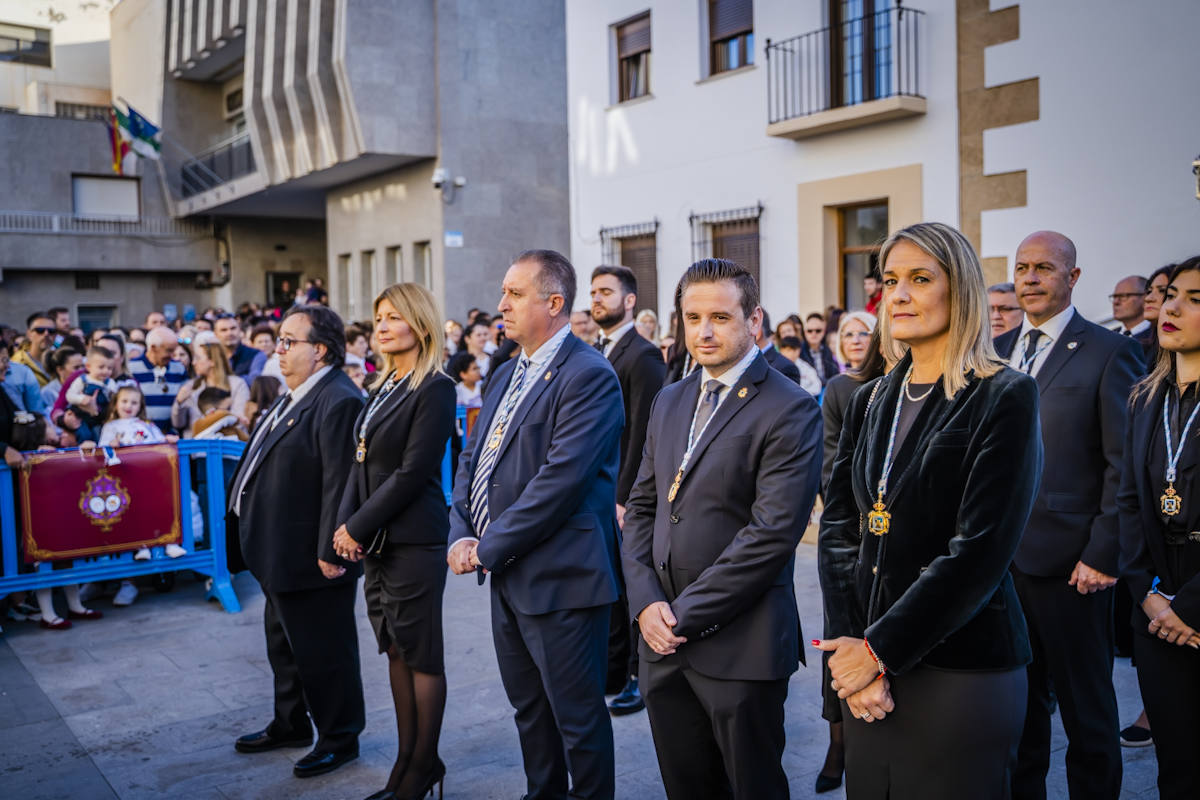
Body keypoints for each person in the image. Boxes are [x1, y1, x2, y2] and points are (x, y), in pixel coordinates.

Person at [817, 221, 1043, 799]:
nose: (898, 294)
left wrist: (878, 650)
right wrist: (849, 654)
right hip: (865, 669)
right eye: (890, 280)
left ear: (959, 288)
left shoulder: (1004, 394)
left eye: (920, 278)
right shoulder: (869, 398)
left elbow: (981, 549)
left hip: (962, 668)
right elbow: (842, 530)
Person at [622, 258, 822, 799]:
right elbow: (641, 507)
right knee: (687, 787)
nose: (704, 332)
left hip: (741, 646)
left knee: (752, 787)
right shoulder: (671, 398)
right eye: (692, 318)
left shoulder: (790, 407)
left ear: (753, 321)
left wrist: (680, 615)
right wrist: (644, 604)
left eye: (720, 317)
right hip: (661, 643)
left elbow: (771, 535)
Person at [447, 249, 623, 800]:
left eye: (515, 294)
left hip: (563, 578)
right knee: (529, 709)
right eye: (503, 292)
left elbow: (559, 483)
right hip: (507, 572)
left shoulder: (589, 375)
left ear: (555, 303)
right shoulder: (504, 372)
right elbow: (472, 459)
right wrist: (460, 530)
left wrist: (486, 545)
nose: (501, 305)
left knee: (577, 719)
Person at [993, 230, 1143, 800]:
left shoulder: (1108, 352)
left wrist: (1103, 553)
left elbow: (1123, 464)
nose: (1030, 278)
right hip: (1001, 566)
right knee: (1020, 709)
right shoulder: (997, 352)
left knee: (1088, 713)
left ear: (1072, 278)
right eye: (1023, 267)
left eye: (1044, 268)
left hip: (1074, 568)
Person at [228, 305, 366, 779]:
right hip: (277, 552)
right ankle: (290, 723)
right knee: (284, 646)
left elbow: (339, 483)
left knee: (324, 652)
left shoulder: (338, 398)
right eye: (279, 341)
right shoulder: (295, 393)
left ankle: (339, 737)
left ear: (321, 350)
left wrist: (331, 551)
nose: (278, 350)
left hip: (312, 557)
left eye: (289, 342)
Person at [331, 283, 456, 800]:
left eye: (393, 317)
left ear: (420, 326)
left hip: (415, 540)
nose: (380, 326)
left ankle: (422, 768)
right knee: (396, 651)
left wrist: (356, 525)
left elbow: (410, 474)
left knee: (422, 655)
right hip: (379, 542)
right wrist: (343, 530)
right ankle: (408, 763)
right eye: (378, 317)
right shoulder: (384, 384)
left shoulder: (435, 387)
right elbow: (360, 463)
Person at [1118, 255, 1200, 800]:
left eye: (1195, 299)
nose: (1171, 306)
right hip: (1156, 596)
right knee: (1178, 765)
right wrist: (1149, 596)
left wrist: (1187, 608)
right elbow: (1128, 503)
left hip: (1193, 595)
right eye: (1171, 294)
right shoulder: (1145, 397)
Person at [589, 265, 667, 716]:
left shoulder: (644, 356)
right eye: (594, 292)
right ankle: (615, 670)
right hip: (598, 490)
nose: (597, 299)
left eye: (606, 292)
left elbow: (642, 430)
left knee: (631, 584)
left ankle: (638, 675)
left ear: (630, 300)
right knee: (610, 585)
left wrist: (625, 497)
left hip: (625, 493)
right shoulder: (596, 350)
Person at [9, 411, 103, 630]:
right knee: (43, 563)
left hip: (58, 519)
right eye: (49, 425)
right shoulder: (30, 458)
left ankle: (75, 605)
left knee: (66, 560)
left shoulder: (57, 449)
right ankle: (47, 613)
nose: (55, 428)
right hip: (39, 523)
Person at [171, 342, 249, 435]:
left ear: (212, 361)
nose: (193, 362)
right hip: (197, 446)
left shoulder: (237, 384)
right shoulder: (191, 386)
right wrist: (179, 403)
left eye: (198, 358)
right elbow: (178, 424)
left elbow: (240, 421)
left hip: (227, 444)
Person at [129, 327, 187, 434]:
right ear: (153, 347)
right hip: (140, 435)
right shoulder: (131, 368)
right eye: (169, 350)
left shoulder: (179, 368)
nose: (173, 355)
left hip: (171, 435)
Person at [65, 346, 117, 428]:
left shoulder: (110, 383)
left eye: (109, 368)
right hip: (81, 417)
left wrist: (111, 395)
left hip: (100, 419)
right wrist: (81, 399)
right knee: (82, 433)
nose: (106, 371)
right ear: (88, 366)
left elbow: (114, 400)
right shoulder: (82, 380)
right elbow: (69, 395)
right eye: (101, 367)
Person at [12, 312, 55, 386]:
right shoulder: (17, 363)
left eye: (51, 331)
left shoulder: (60, 359)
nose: (46, 334)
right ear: (29, 334)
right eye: (40, 330)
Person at [799, 312, 840, 386]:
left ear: (824, 332)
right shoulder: (799, 351)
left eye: (818, 330)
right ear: (805, 332)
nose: (813, 334)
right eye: (810, 331)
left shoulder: (827, 349)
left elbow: (835, 374)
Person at [1111, 275, 1151, 342]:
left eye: (1123, 296)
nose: (1116, 302)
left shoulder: (1158, 337)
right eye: (1114, 297)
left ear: (1145, 298)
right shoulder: (1108, 337)